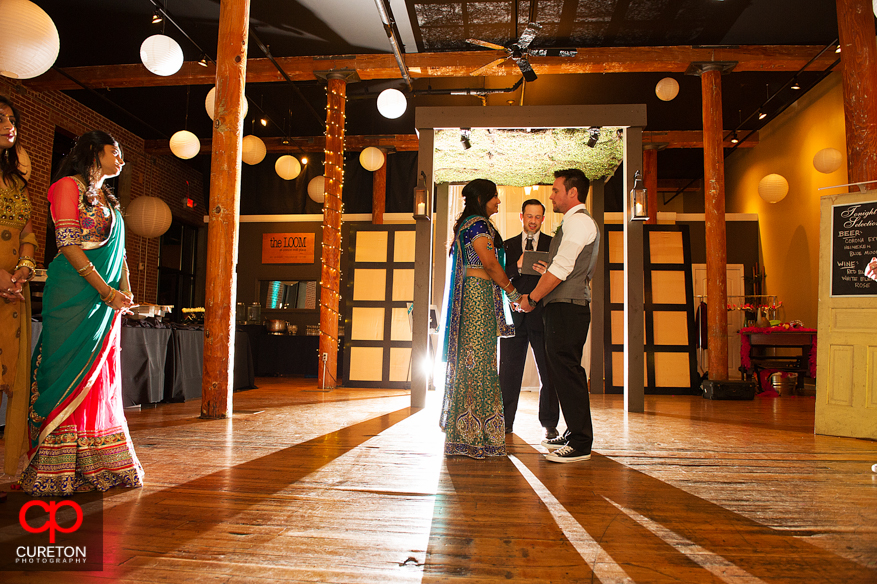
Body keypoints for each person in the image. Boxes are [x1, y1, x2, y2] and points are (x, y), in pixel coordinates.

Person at [19, 130, 144, 496]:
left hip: (104, 301)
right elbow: (69, 244)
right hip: (72, 295)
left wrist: (125, 289)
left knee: (99, 377)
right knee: (64, 369)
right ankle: (54, 465)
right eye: (114, 152)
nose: (120, 159)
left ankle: (96, 460)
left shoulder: (109, 199)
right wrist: (106, 292)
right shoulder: (66, 188)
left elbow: (118, 252)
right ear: (93, 152)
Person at [520, 169, 600, 463]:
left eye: (555, 190)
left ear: (572, 193)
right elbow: (565, 266)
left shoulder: (578, 222)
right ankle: (573, 432)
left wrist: (532, 298)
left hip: (568, 307)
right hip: (565, 305)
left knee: (567, 372)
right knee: (564, 371)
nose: (551, 195)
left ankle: (580, 443)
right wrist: (548, 271)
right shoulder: (573, 223)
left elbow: (563, 267)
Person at [439, 179, 521, 459]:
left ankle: (466, 436)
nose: (498, 202)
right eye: (495, 197)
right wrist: (513, 293)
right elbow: (490, 264)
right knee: (480, 365)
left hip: (475, 297)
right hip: (478, 298)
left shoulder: (468, 224)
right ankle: (476, 438)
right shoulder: (478, 224)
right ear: (482, 198)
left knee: (473, 365)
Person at [0, 95, 37, 487]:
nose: (8, 124)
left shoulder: (15, 181)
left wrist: (23, 270)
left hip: (13, 290)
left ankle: (8, 468)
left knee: (10, 376)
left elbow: (27, 230)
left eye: (11, 118)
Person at [499, 199, 559, 438]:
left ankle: (550, 424)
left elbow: (559, 278)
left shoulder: (553, 245)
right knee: (509, 373)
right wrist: (517, 265)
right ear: (521, 217)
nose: (533, 221)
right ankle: (505, 423)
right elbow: (499, 275)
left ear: (543, 219)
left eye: (538, 217)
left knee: (549, 372)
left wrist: (548, 273)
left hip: (543, 317)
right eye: (529, 216)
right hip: (513, 317)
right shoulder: (507, 245)